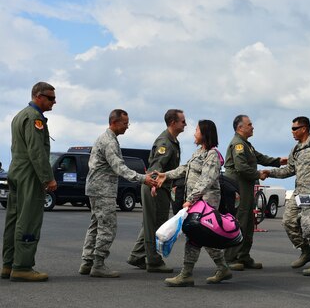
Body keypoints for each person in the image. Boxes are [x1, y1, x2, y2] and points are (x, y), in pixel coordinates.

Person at [79, 109, 156, 278]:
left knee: (95, 225)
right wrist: (143, 178)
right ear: (114, 122)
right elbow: (119, 167)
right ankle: (98, 264)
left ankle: (87, 262)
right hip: (103, 190)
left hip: (96, 189)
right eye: (125, 123)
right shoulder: (109, 142)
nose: (127, 127)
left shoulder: (104, 138)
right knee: (107, 227)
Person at [261, 117, 310, 276]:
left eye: (295, 128)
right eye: (292, 128)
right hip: (299, 193)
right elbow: (288, 170)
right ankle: (305, 251)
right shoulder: (296, 149)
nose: (292, 132)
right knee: (288, 221)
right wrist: (270, 172)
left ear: (304, 128)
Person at [156, 120, 231, 287]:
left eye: (196, 130)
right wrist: (165, 175)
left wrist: (191, 199)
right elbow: (184, 169)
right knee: (198, 236)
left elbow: (206, 179)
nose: (194, 133)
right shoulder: (199, 153)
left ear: (205, 133)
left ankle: (187, 274)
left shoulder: (212, 154)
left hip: (206, 202)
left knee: (198, 235)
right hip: (197, 201)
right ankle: (219, 268)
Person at [1, 82, 57, 282]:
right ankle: (23, 266)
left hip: (16, 171)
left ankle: (8, 264)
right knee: (29, 219)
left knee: (13, 219)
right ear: (38, 96)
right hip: (29, 174)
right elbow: (36, 150)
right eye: (50, 98)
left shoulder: (19, 115)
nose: (54, 101)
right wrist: (47, 177)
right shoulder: (34, 118)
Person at [223, 115, 286, 271]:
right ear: (240, 127)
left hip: (246, 186)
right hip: (237, 187)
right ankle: (230, 258)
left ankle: (243, 256)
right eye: (249, 124)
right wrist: (259, 175)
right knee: (239, 221)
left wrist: (278, 161)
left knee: (249, 222)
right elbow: (241, 167)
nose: (252, 127)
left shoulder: (246, 145)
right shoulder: (238, 144)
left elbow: (259, 157)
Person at [127, 109, 186, 273]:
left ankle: (137, 256)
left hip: (160, 187)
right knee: (155, 224)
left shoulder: (172, 140)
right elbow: (155, 168)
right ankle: (153, 261)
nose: (185, 124)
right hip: (156, 187)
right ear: (173, 123)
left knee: (151, 222)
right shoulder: (165, 143)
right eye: (182, 121)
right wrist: (154, 186)